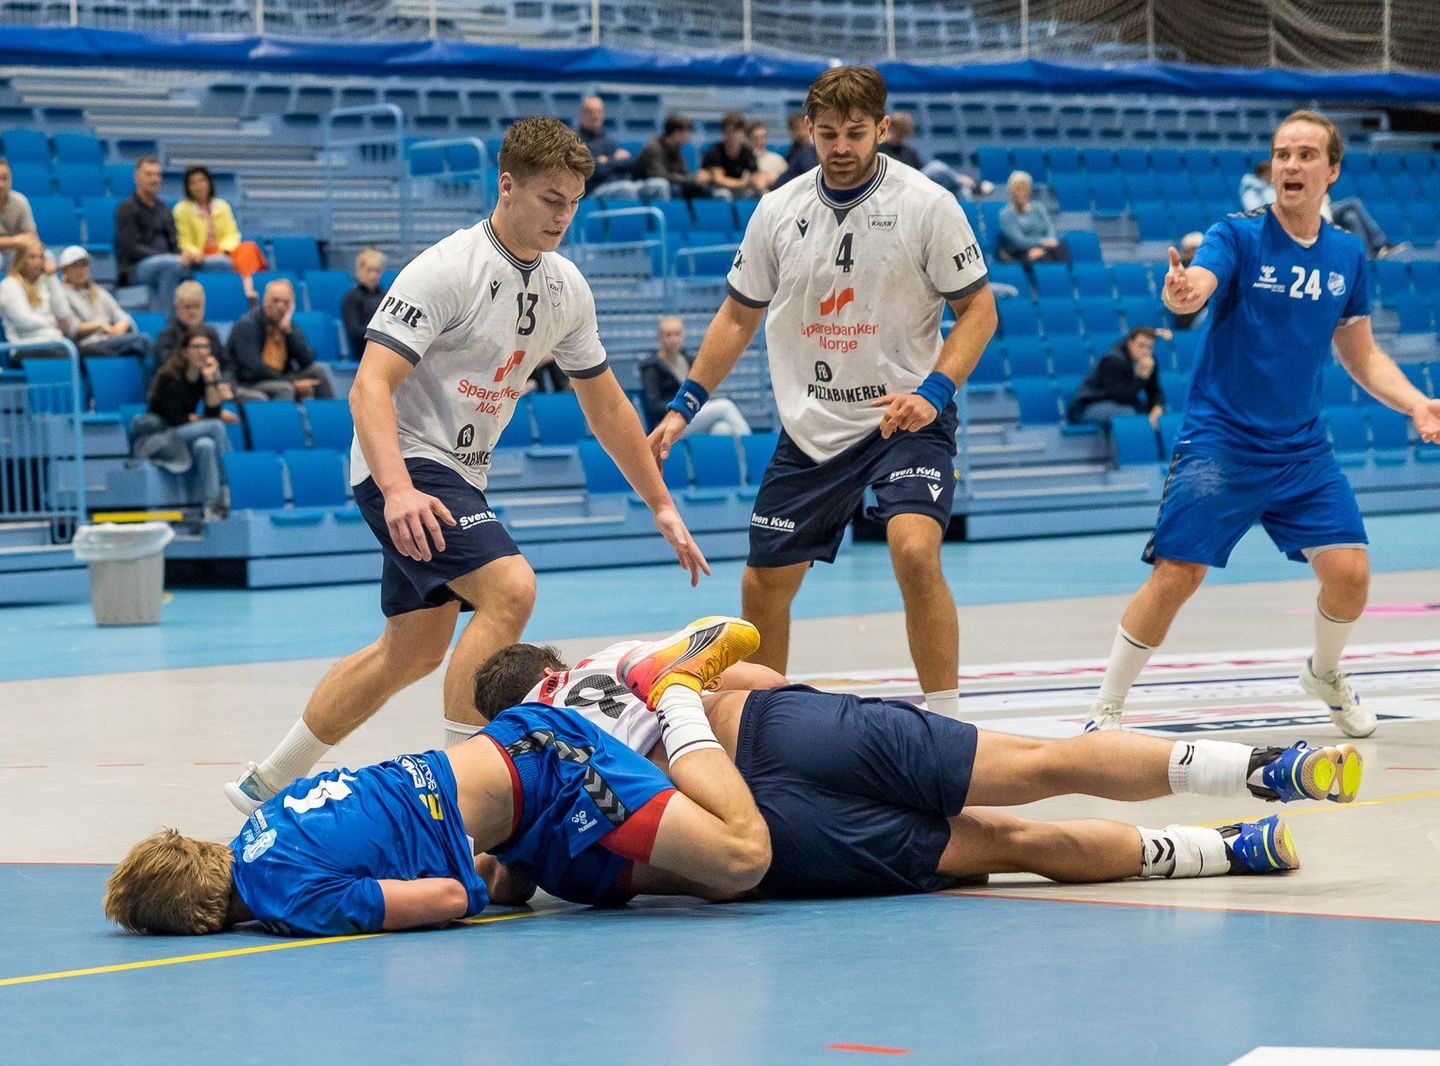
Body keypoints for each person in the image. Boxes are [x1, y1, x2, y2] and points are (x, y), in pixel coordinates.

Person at [224, 117, 711, 815]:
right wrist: (396, 489)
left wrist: (660, 502)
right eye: (550, 199)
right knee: (511, 589)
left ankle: (265, 783)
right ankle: (463, 800)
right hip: (405, 461)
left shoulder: (566, 287)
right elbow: (368, 386)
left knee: (410, 651)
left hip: (458, 474)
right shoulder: (447, 269)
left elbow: (605, 405)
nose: (563, 216)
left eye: (574, 202)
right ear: (506, 186)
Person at [470, 633, 1364, 900]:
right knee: (1042, 761)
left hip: (760, 829)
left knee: (1005, 845)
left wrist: (508, 870)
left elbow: (530, 877)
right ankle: (1264, 766)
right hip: (777, 730)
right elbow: (758, 676)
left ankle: (1232, 849)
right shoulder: (619, 658)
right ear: (556, 662)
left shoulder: (526, 772)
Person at [646, 66, 997, 720]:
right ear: (807, 130)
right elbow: (737, 316)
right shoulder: (778, 209)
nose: (840, 146)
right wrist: (684, 404)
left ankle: (948, 721)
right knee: (763, 584)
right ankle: (764, 725)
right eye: (828, 133)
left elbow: (979, 310)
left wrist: (934, 390)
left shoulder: (928, 205)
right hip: (813, 426)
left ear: (882, 129)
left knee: (914, 550)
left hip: (904, 418)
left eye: (855, 133)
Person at [1085, 110, 1440, 738]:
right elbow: (1199, 280)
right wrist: (1184, 291)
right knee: (1177, 574)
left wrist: (1415, 403)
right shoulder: (1239, 234)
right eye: (1282, 154)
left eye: (1306, 155)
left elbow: (1361, 353)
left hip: (1301, 449)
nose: (1290, 165)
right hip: (1221, 442)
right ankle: (1106, 709)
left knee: (1350, 573)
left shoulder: (1346, 253)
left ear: (1332, 170)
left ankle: (1324, 675)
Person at [106, 620, 770, 935]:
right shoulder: (262, 826)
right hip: (516, 778)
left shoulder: (287, 895)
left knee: (738, 863)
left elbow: (451, 898)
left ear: (194, 922)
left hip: (549, 765)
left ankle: (672, 687)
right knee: (704, 888)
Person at [132, 328, 237, 518]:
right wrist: (204, 419)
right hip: (164, 437)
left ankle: (211, 507)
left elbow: (213, 411)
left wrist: (211, 379)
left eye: (206, 347)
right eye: (196, 347)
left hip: (184, 435)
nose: (202, 351)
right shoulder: (169, 377)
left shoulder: (202, 376)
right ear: (185, 351)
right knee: (216, 427)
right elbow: (176, 419)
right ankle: (228, 488)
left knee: (206, 445)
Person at [115, 156, 230, 310]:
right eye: (149, 174)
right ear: (136, 178)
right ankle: (170, 322)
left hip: (172, 260)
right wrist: (170, 257)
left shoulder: (163, 208)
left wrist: (188, 254)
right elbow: (130, 248)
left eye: (157, 175)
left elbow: (175, 243)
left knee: (222, 263)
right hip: (137, 268)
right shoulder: (126, 208)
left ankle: (214, 315)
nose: (154, 179)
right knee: (172, 265)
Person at [226, 278, 336, 401]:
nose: (280, 307)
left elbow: (306, 360)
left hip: (279, 377)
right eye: (275, 300)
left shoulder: (287, 325)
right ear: (265, 301)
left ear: (292, 306)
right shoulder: (247, 325)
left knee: (318, 371)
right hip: (249, 382)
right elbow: (254, 370)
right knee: (285, 388)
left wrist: (289, 332)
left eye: (286, 302)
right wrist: (293, 383)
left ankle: (330, 412)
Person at [639, 316, 751, 434]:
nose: (673, 339)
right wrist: (681, 408)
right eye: (668, 335)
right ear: (660, 337)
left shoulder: (689, 360)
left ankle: (742, 444)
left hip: (693, 415)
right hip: (670, 421)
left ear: (683, 335)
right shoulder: (651, 367)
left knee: (721, 429)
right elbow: (654, 405)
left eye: (677, 334)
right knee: (726, 406)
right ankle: (752, 442)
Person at [53, 246, 150, 359]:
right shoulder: (61, 294)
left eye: (84, 264)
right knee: (141, 341)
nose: (81, 269)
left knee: (143, 340)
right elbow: (71, 328)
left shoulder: (98, 291)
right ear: (64, 270)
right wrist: (99, 326)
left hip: (110, 339)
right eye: (75, 265)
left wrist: (119, 327)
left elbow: (122, 316)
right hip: (88, 344)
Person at [1067, 326, 1169, 429]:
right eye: (1141, 346)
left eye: (1149, 347)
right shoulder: (1112, 361)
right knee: (1129, 414)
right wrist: (1142, 377)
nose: (1145, 351)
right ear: (1130, 343)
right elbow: (1120, 396)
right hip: (1089, 406)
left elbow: (1155, 390)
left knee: (1164, 412)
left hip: (1120, 403)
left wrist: (1157, 406)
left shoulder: (1150, 361)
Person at [879, 112, 992, 199]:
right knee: (936, 167)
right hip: (902, 182)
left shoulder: (908, 151)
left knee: (955, 188)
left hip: (916, 180)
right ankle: (972, 185)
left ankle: (969, 197)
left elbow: (921, 168)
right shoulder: (882, 148)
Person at [0, 235, 70, 360]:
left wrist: (52, 278)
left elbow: (64, 315)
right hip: (24, 348)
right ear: (20, 259)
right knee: (67, 356)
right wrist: (53, 322)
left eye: (41, 257)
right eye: (32, 257)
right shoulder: (9, 285)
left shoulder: (45, 282)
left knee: (88, 353)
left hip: (54, 342)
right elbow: (24, 321)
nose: (38, 262)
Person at [631, 114, 713, 201]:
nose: (688, 136)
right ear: (676, 133)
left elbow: (684, 174)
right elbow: (659, 175)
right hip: (644, 184)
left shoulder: (676, 148)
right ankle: (665, 209)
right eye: (686, 132)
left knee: (699, 187)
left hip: (665, 183)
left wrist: (697, 179)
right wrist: (692, 180)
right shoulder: (654, 148)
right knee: (661, 184)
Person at [997, 170, 1069, 264]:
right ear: (1011, 191)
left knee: (1061, 247)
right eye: (1018, 189)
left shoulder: (1038, 207)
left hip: (1045, 248)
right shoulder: (1006, 215)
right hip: (1021, 252)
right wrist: (1042, 243)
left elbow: (1050, 226)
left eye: (1025, 188)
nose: (1022, 192)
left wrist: (1045, 246)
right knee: (1043, 258)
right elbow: (1019, 241)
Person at [575, 95, 634, 199]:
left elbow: (628, 163)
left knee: (657, 186)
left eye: (599, 111)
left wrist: (607, 161)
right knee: (625, 189)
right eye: (590, 112)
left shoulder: (608, 140)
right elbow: (594, 170)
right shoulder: (575, 141)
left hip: (616, 184)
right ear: (582, 114)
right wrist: (614, 160)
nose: (595, 116)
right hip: (591, 192)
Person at [699, 112, 758, 200]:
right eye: (729, 131)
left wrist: (757, 181)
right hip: (715, 188)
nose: (733, 135)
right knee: (724, 194)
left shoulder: (746, 152)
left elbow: (756, 174)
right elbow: (719, 180)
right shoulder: (715, 151)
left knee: (760, 193)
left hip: (737, 188)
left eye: (737, 131)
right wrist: (743, 183)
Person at [341, 247, 385, 359]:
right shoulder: (351, 298)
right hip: (364, 350)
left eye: (377, 271)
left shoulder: (386, 297)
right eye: (369, 270)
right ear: (359, 270)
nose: (373, 275)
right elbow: (354, 331)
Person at [0, 157, 37, 260]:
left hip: (15, 252)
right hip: (10, 250)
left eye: (5, 178)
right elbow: (21, 240)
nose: (1, 184)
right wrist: (15, 241)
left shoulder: (20, 201)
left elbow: (31, 236)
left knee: (44, 257)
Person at [773, 112, 817, 190]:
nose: (802, 132)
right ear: (791, 131)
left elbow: (812, 177)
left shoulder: (808, 152)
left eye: (805, 128)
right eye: (797, 129)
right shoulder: (792, 152)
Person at [747, 122, 787, 194]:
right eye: (755, 138)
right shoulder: (741, 159)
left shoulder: (777, 159)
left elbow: (788, 180)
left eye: (762, 138)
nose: (760, 142)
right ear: (748, 140)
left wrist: (772, 178)